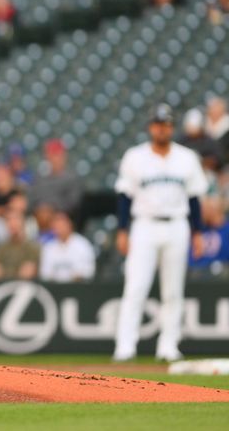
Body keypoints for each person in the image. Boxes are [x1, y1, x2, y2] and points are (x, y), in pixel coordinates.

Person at [113, 104, 208, 362]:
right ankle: (125, 346)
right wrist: (122, 230)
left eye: (166, 124)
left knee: (173, 290)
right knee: (136, 286)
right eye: (157, 124)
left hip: (178, 224)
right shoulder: (135, 156)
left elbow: (195, 199)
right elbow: (124, 196)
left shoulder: (186, 157)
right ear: (150, 127)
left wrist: (197, 233)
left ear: (172, 127)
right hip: (144, 224)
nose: (161, 128)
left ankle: (168, 346)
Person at [39, 211, 96, 283]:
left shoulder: (83, 245)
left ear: (69, 224)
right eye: (56, 225)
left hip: (78, 287)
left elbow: (89, 272)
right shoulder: (48, 247)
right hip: (55, 289)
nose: (59, 227)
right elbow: (45, 274)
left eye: (62, 224)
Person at [0, 210, 39, 281]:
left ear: (23, 222)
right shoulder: (2, 247)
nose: (12, 223)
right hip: (2, 284)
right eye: (9, 220)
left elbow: (29, 271)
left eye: (16, 220)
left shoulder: (32, 247)